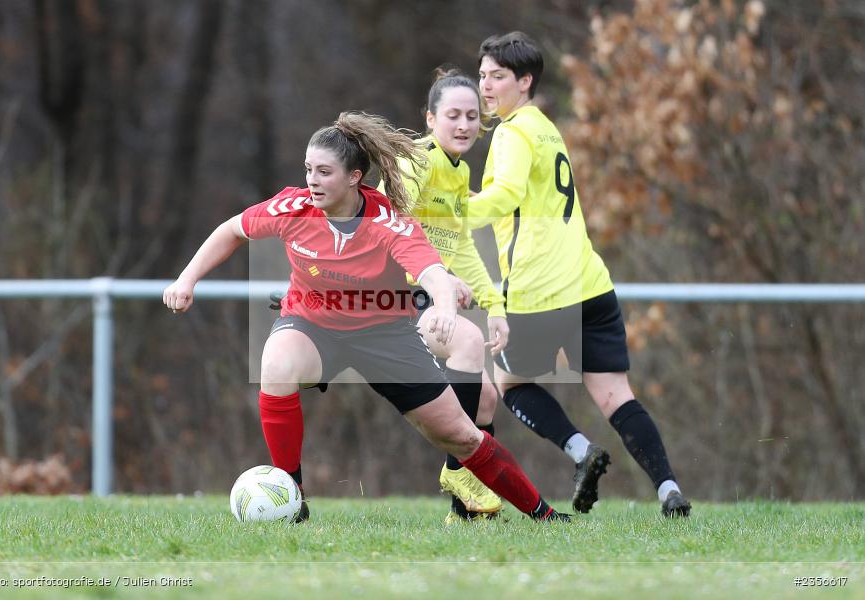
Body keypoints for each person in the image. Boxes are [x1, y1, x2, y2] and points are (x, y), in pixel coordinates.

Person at [163, 111, 571, 522]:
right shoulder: (293, 207)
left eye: (324, 172)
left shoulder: (387, 222)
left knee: (462, 436)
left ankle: (544, 515)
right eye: (308, 169)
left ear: (355, 177)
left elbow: (433, 274)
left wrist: (446, 308)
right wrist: (187, 279)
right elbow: (232, 229)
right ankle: (291, 497)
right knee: (276, 361)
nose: (312, 181)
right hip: (312, 326)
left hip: (385, 336)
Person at [467, 32, 692, 517]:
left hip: (539, 289)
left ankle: (580, 451)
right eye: (482, 75)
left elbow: (503, 196)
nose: (486, 86)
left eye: (498, 77)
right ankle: (668, 488)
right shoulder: (545, 126)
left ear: (524, 81)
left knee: (509, 385)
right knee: (614, 394)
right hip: (591, 282)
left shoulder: (511, 132)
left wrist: (447, 211)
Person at [379, 67, 508, 524]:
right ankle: (459, 472)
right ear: (429, 119)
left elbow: (462, 242)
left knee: (487, 399)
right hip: (388, 298)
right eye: (452, 115)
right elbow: (389, 224)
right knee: (468, 344)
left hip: (422, 293)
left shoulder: (460, 169)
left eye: (472, 116)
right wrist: (438, 276)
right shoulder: (416, 160)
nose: (464, 125)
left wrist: (494, 304)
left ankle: (468, 513)